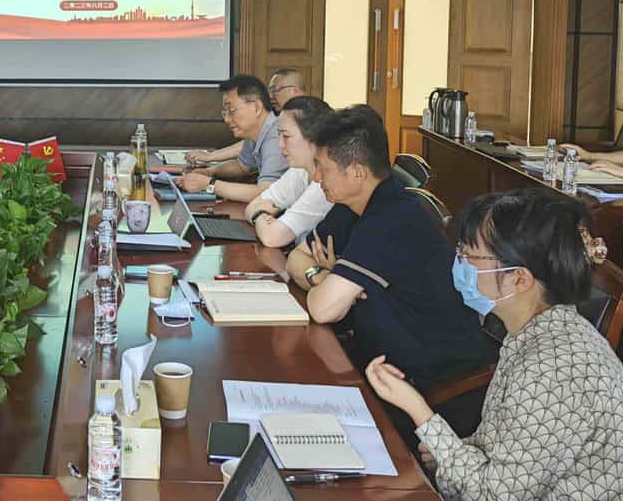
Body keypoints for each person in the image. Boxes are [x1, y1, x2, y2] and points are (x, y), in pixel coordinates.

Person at [366, 188, 623, 500]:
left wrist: (417, 409)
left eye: (470, 256)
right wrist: (451, 450)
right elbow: (509, 450)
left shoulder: (554, 369)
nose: (459, 263)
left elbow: (492, 495)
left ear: (519, 279)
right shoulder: (534, 331)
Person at [285, 105, 485, 389]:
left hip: (430, 379)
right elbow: (296, 257)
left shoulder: (392, 218)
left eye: (323, 168)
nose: (316, 177)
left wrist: (328, 286)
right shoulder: (351, 204)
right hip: (380, 357)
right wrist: (322, 276)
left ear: (356, 172)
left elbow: (323, 309)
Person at [176, 75, 289, 202]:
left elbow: (264, 193)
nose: (227, 119)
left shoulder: (277, 136)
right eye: (225, 112)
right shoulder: (255, 132)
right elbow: (242, 166)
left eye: (232, 110)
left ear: (257, 107)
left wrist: (209, 184)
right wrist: (210, 172)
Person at [243, 96, 334, 249]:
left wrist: (259, 214)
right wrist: (262, 214)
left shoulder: (326, 185)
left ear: (314, 138)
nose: (280, 144)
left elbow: (272, 238)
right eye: (279, 135)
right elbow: (252, 206)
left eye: (286, 136)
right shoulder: (300, 170)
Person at [184, 68, 305, 167]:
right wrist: (210, 169)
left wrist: (211, 181)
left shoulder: (302, 119)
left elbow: (266, 187)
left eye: (275, 90)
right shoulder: (268, 122)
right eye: (270, 90)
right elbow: (244, 163)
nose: (271, 96)